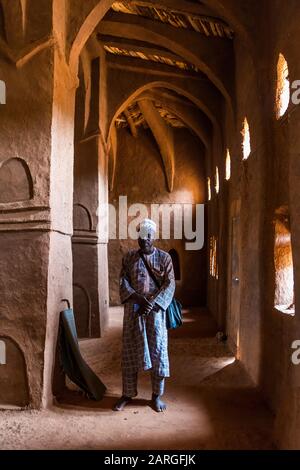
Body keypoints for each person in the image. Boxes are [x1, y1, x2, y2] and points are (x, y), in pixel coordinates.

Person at [113, 218, 175, 412]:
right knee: (130, 351)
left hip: (155, 314)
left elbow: (169, 283)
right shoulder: (129, 258)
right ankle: (127, 394)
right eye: (141, 235)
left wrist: (153, 303)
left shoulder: (165, 258)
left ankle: (156, 396)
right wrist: (138, 299)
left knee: (158, 351)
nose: (145, 239)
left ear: (153, 236)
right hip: (133, 311)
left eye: (148, 235)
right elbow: (123, 281)